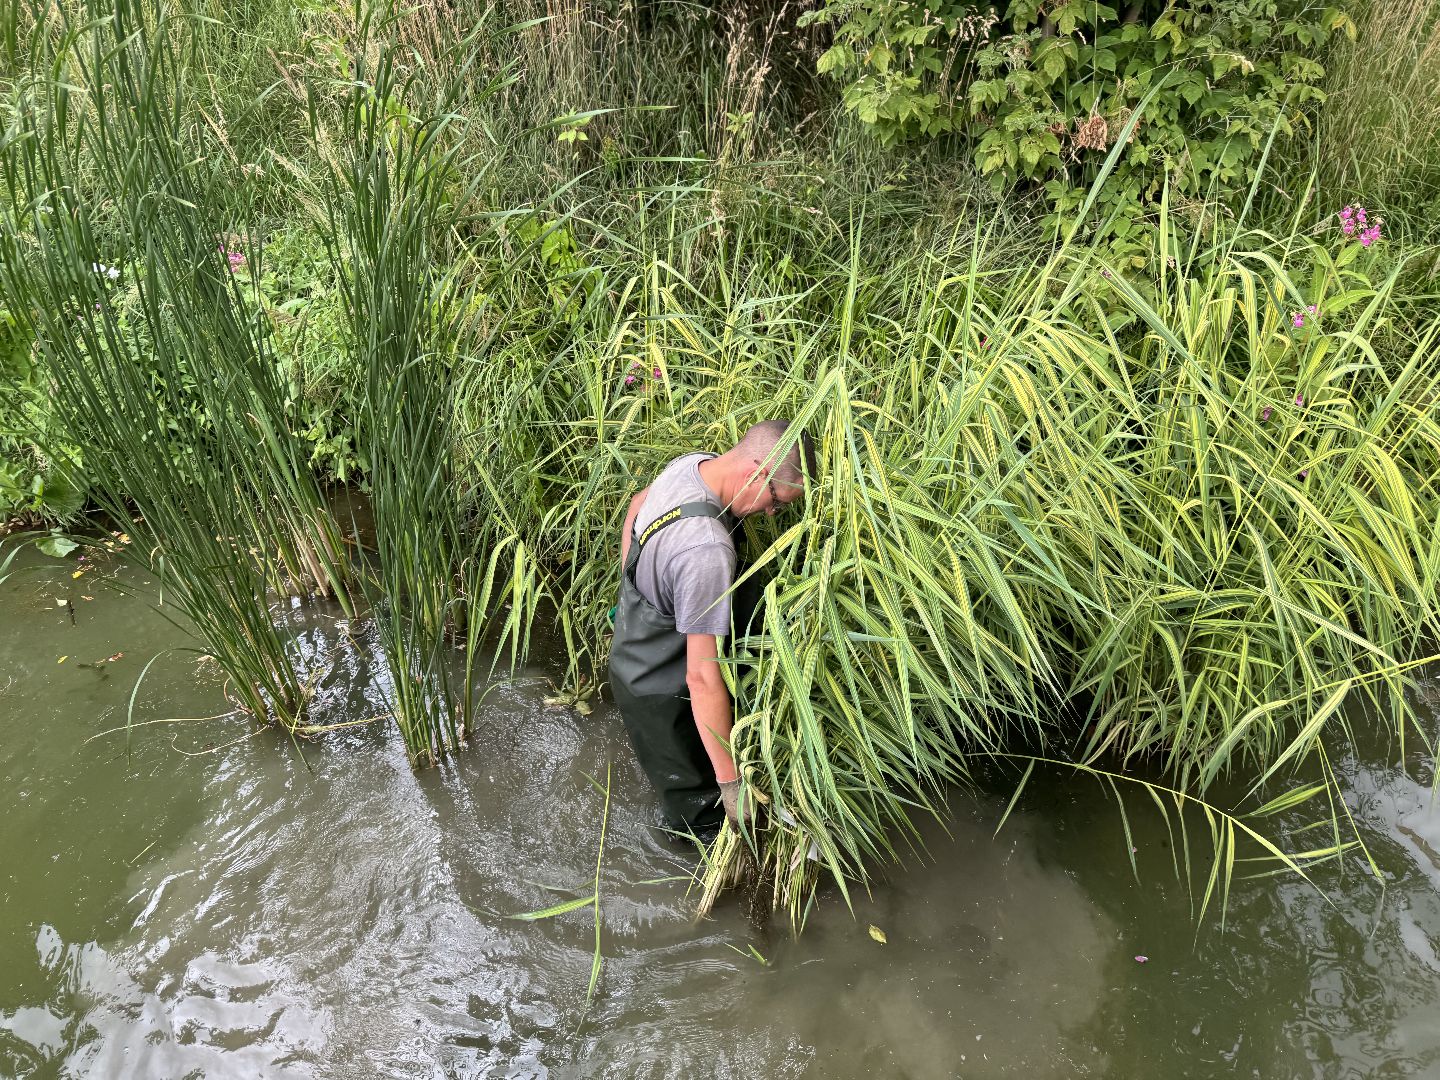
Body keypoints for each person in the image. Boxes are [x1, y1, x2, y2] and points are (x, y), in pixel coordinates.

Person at [609, 420, 815, 834]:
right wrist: (731, 784)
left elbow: (636, 505)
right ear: (756, 472)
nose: (773, 513)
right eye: (777, 499)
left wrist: (627, 593)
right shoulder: (706, 550)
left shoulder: (692, 467)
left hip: (631, 650)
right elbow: (701, 678)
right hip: (660, 698)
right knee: (698, 822)